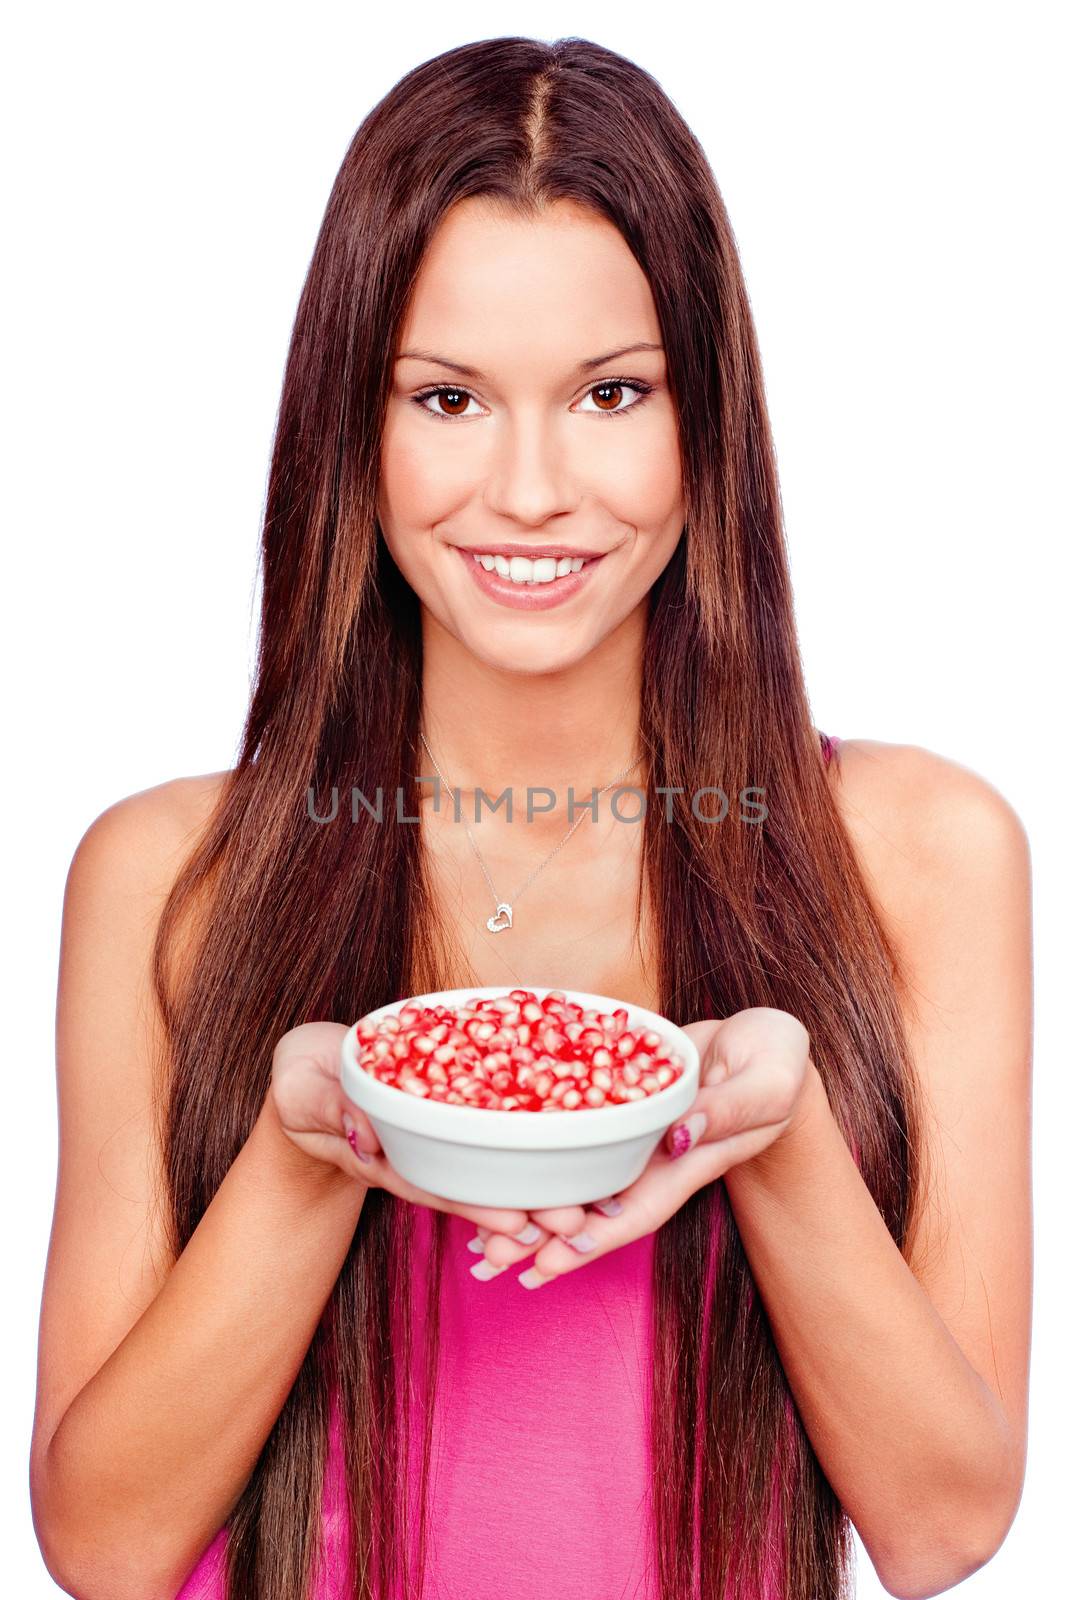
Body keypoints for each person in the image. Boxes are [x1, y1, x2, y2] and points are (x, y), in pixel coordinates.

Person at [30, 34, 1032, 1600]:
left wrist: (771, 1136)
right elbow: (101, 1542)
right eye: (448, 398)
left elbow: (943, 1524)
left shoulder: (921, 855)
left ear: (709, 427)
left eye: (611, 394)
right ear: (352, 435)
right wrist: (309, 1153)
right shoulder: (172, 878)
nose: (533, 489)